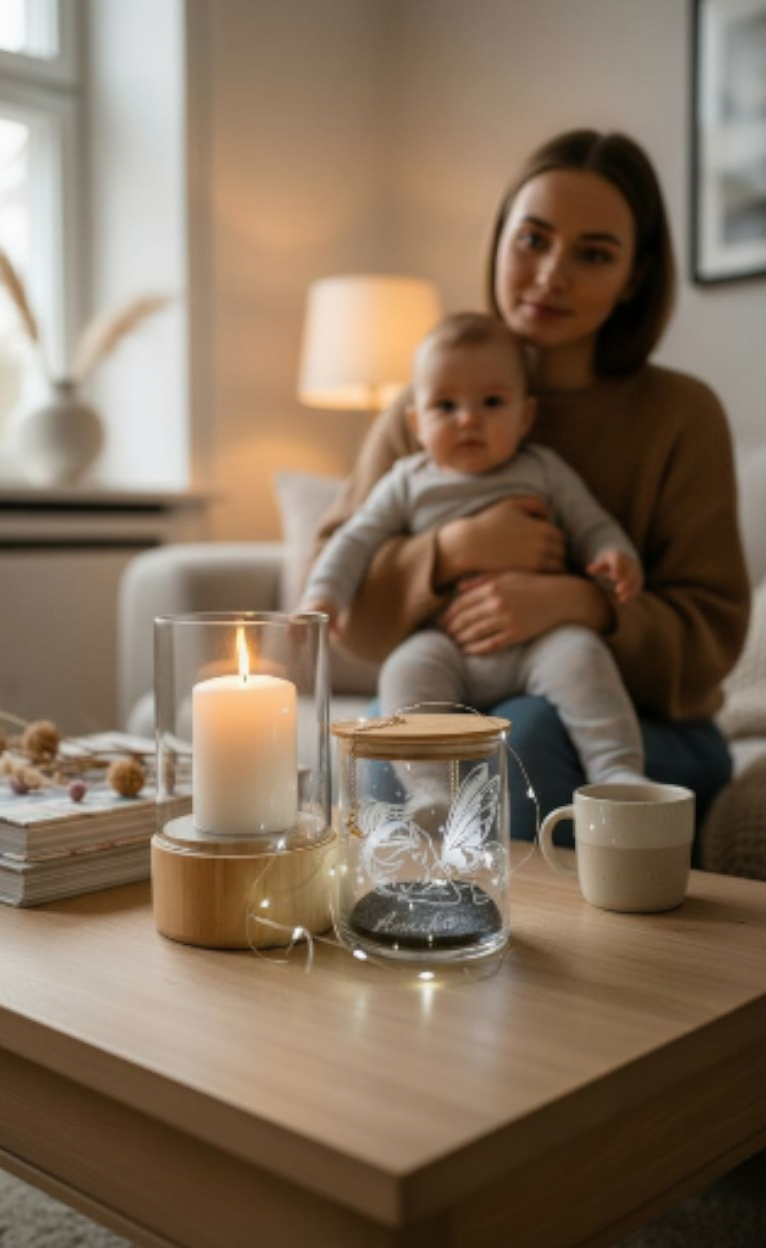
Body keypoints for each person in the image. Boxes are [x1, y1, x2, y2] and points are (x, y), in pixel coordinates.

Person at [311, 129, 750, 849]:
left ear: (634, 277)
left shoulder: (680, 416)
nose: (551, 274)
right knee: (403, 737)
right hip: (464, 688)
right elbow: (338, 609)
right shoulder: (423, 410)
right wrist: (449, 551)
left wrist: (584, 601)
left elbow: (713, 639)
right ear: (499, 241)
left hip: (652, 732)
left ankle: (531, 953)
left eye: (594, 254)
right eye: (533, 240)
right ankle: (412, 933)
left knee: (519, 735)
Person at [301, 311, 646, 791]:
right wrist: (324, 596)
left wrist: (613, 554)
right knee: (404, 673)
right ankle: (429, 792)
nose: (468, 419)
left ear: (526, 416)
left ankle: (618, 774)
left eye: (491, 402)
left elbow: (591, 523)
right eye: (445, 406)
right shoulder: (409, 480)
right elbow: (355, 539)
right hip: (445, 642)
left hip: (540, 641)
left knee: (584, 658)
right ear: (417, 423)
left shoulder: (543, 470)